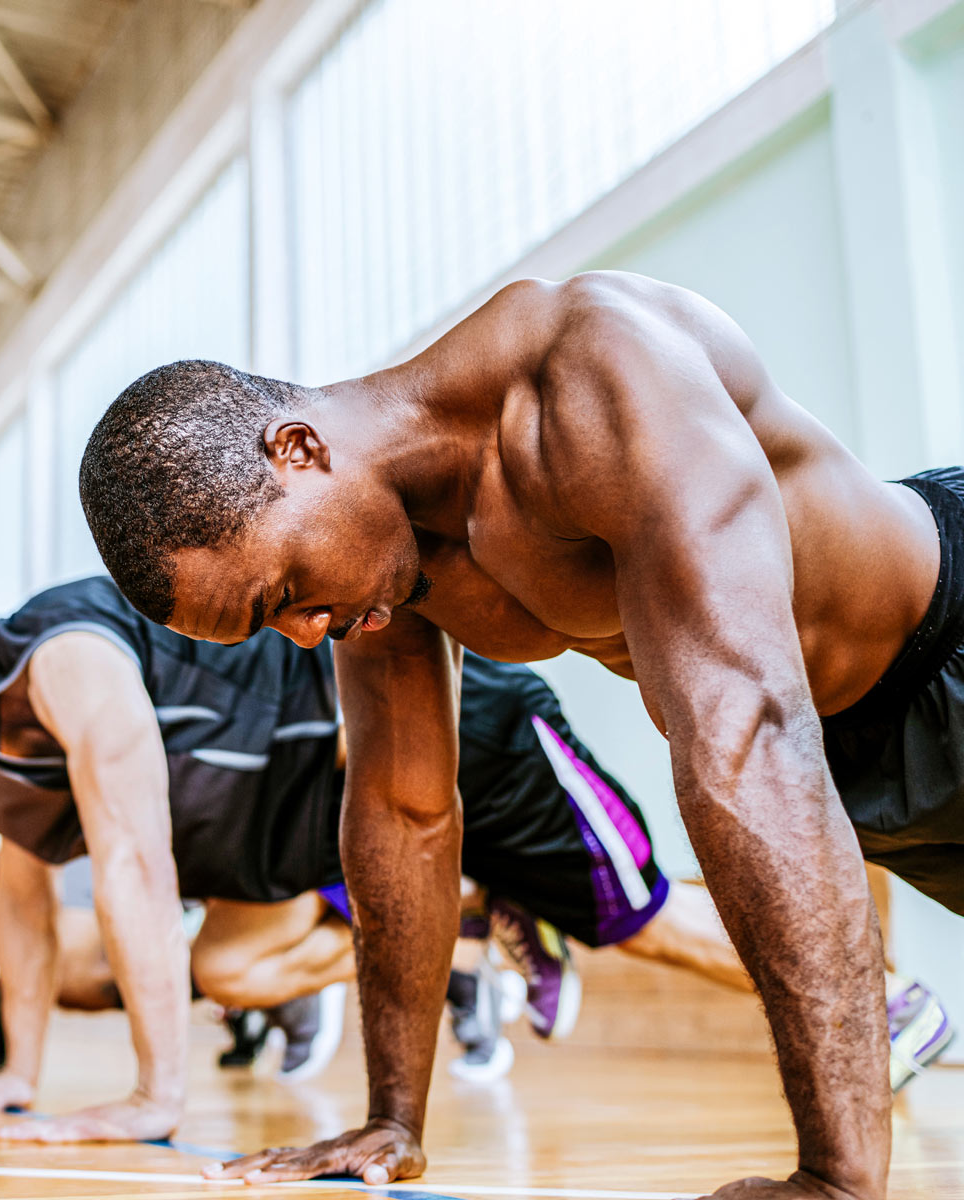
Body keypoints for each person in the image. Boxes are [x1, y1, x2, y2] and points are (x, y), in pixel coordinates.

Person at [78, 270, 964, 1196]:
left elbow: (745, 730)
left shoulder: (592, 375)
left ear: (296, 450)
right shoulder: (383, 564)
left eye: (282, 595)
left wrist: (837, 1181)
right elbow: (402, 810)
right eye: (269, 626)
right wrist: (393, 1118)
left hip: (944, 637)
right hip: (856, 764)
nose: (301, 632)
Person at [0, 542, 789, 1142]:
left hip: (454, 728)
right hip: (336, 816)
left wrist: (157, 1094)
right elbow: (20, 907)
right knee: (230, 965)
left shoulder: (64, 655)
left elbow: (136, 866)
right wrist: (14, 1074)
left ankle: (877, 1007)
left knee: (643, 926)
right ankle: (487, 916)